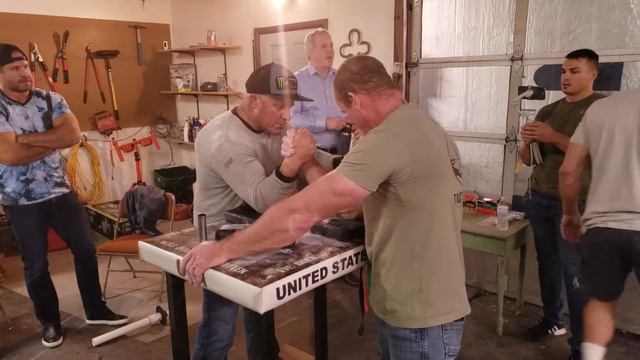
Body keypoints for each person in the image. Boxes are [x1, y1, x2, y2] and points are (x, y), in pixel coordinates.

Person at [182, 55, 471, 360]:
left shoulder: (389, 138)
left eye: (346, 112)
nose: (350, 123)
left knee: (255, 323)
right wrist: (305, 160)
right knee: (222, 325)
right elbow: (356, 192)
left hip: (420, 314)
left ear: (355, 100)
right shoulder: (422, 125)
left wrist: (225, 249)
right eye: (279, 105)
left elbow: (299, 213)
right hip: (424, 304)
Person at [0, 43, 128, 348]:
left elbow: (71, 136)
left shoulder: (50, 99)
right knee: (36, 265)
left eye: (26, 66)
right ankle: (50, 323)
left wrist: (26, 140)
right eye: (15, 68)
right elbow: (8, 155)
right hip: (21, 201)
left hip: (60, 192)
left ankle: (96, 310)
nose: (25, 73)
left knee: (86, 249)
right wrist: (48, 141)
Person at [190, 62, 321, 360]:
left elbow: (314, 157)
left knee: (261, 309)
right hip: (218, 237)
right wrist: (293, 163)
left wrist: (321, 159)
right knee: (220, 326)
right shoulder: (223, 140)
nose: (287, 116)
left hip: (256, 229)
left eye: (290, 107)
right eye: (279, 106)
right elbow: (263, 198)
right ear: (253, 101)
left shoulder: (274, 125)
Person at [518, 48, 605, 359]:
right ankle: (553, 320)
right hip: (540, 199)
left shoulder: (602, 109)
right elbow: (529, 161)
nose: (566, 77)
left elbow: (602, 155)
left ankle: (582, 347)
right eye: (564, 71)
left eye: (575, 71)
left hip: (577, 205)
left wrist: (554, 137)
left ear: (593, 74)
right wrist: (526, 142)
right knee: (549, 266)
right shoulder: (549, 110)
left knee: (575, 274)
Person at [558, 90, 640, 360]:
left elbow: (569, 170)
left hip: (602, 226)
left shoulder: (602, 108)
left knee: (601, 301)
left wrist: (570, 213)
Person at [291, 28, 348, 154]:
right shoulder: (297, 81)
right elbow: (292, 119)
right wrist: (325, 123)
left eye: (331, 46)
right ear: (310, 52)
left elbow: (350, 109)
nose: (330, 50)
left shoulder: (342, 77)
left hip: (345, 152)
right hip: (312, 154)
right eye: (324, 46)